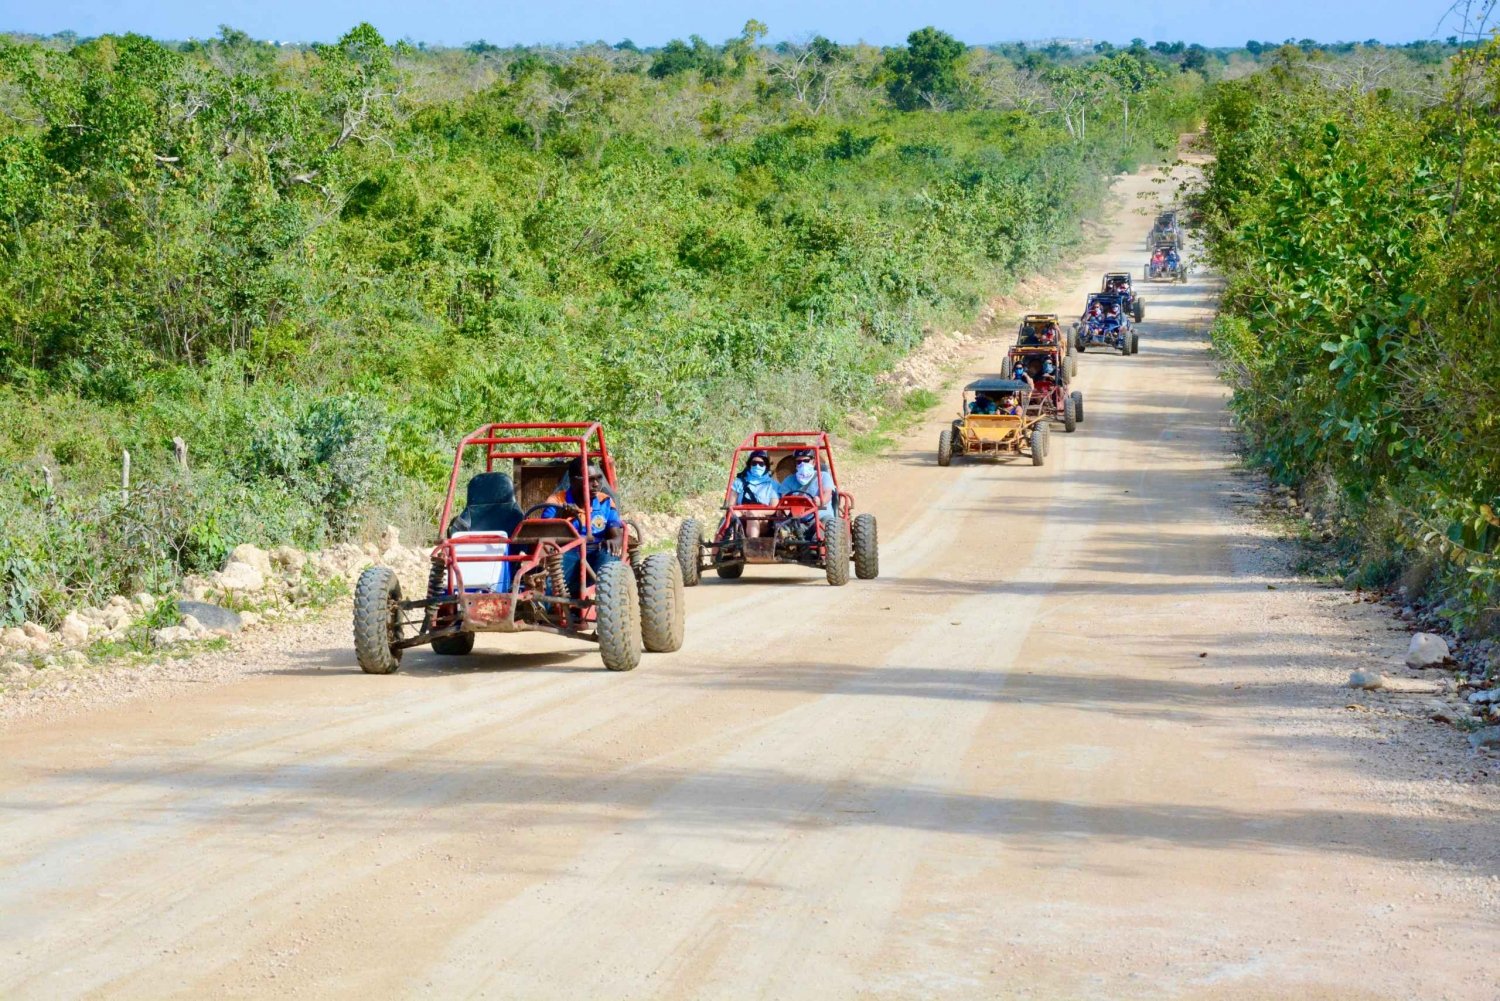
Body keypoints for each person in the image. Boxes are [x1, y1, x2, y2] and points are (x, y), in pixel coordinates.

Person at [542, 460, 624, 600]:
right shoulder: (557, 501)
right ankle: (544, 608)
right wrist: (562, 517)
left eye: (598, 478)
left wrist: (616, 540)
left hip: (597, 551)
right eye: (590, 480)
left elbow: (615, 531)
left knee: (609, 554)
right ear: (574, 481)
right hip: (568, 551)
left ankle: (605, 600)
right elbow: (546, 536)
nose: (597, 484)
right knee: (551, 580)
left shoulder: (605, 501)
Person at [779, 447, 837, 525]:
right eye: (799, 462)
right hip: (797, 521)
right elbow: (784, 499)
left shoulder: (823, 476)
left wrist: (820, 501)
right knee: (780, 529)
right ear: (796, 464)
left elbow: (828, 493)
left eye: (806, 461)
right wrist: (783, 510)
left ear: (813, 462)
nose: (803, 464)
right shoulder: (788, 480)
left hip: (821, 518)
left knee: (823, 529)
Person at [732, 449, 779, 538]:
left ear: (766, 466)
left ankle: (752, 544)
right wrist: (741, 511)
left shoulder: (772, 484)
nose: (757, 466)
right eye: (754, 463)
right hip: (741, 514)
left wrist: (753, 511)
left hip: (762, 519)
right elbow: (731, 504)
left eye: (761, 464)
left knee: (752, 514)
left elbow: (773, 509)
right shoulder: (739, 482)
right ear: (749, 465)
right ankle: (723, 545)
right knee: (733, 515)